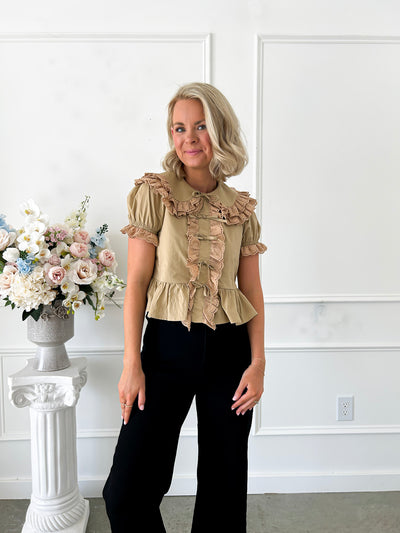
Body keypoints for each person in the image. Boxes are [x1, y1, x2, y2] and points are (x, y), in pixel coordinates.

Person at [103, 82, 267, 533]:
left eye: (200, 126)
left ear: (220, 131)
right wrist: (132, 363)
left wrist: (257, 364)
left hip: (229, 352)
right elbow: (137, 284)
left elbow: (252, 292)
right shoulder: (154, 193)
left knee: (223, 491)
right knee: (126, 492)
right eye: (179, 128)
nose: (189, 138)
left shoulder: (241, 209)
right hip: (165, 350)